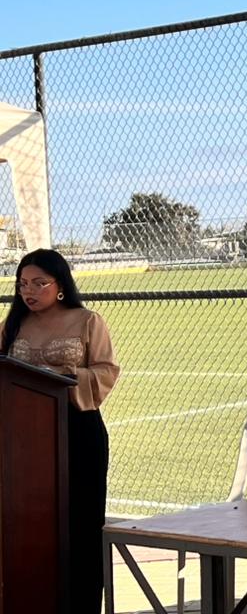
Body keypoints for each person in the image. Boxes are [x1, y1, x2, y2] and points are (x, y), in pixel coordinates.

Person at [2, 248, 119, 614]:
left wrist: (66, 378)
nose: (29, 291)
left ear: (61, 285)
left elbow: (106, 372)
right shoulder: (13, 325)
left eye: (39, 283)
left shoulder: (87, 321)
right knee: (29, 523)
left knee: (81, 525)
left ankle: (81, 605)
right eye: (23, 284)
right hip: (24, 440)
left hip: (77, 432)